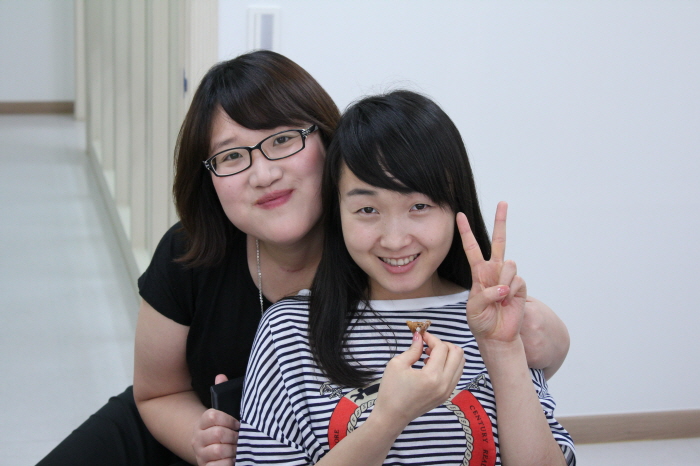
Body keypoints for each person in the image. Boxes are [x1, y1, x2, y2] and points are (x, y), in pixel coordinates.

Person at [37, 52, 569, 466]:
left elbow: (504, 333)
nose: (264, 173)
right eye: (232, 155)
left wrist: (532, 340)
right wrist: (205, 441)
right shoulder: (195, 253)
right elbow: (156, 392)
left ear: (329, 146)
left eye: (282, 140)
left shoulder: (411, 262)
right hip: (186, 435)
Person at [236, 90, 576, 465]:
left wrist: (503, 349)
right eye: (367, 209)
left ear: (455, 206)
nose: (395, 239)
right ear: (338, 213)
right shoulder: (288, 331)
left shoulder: (495, 320)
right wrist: (387, 420)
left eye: (419, 206)